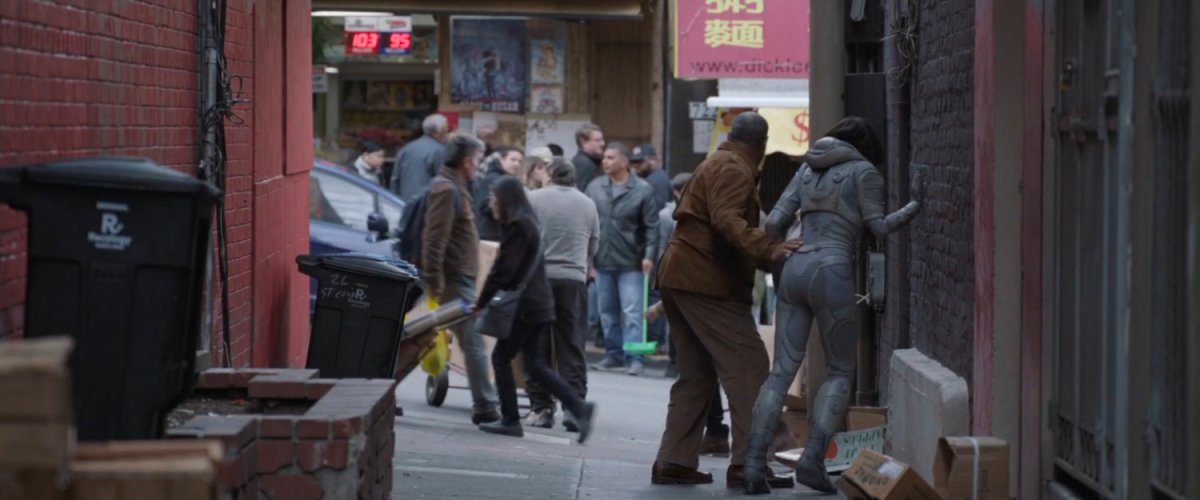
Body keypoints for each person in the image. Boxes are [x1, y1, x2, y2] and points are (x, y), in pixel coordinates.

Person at [741, 117, 923, 494]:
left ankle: (754, 463)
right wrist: (915, 206)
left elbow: (774, 221)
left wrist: (775, 257)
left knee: (780, 373)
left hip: (795, 265)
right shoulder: (864, 171)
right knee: (840, 371)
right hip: (833, 270)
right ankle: (812, 461)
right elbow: (881, 228)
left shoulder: (807, 168)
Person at [650, 113, 800, 490]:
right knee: (749, 368)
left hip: (682, 275)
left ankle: (674, 460)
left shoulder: (714, 162)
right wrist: (769, 248)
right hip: (707, 280)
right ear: (762, 145)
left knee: (696, 374)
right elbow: (726, 219)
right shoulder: (734, 169)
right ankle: (749, 464)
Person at [475, 176, 598, 443]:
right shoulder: (525, 222)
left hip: (527, 305)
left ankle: (510, 420)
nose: (491, 204)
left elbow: (504, 270)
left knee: (501, 358)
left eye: (495, 199)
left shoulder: (519, 225)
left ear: (506, 200)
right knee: (536, 364)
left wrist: (480, 302)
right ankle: (579, 407)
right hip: (537, 303)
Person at [420, 133, 501, 425]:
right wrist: (435, 280)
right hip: (453, 280)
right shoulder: (446, 189)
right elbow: (434, 240)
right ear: (466, 162)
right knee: (472, 342)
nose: (478, 166)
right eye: (477, 160)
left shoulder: (456, 186)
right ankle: (486, 405)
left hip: (458, 278)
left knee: (453, 340)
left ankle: (485, 403)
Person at [525, 159, 600, 431]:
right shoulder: (588, 204)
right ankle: (574, 408)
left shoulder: (533, 198)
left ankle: (541, 408)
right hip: (573, 280)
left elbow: (522, 237)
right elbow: (593, 245)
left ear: (550, 174)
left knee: (537, 346)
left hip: (538, 279)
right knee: (572, 344)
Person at [585, 142, 659, 376]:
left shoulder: (642, 190)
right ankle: (613, 353)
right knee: (606, 312)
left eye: (610, 157)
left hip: (632, 262)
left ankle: (634, 356)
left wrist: (649, 256)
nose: (605, 161)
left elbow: (652, 227)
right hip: (602, 259)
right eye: (604, 157)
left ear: (624, 162)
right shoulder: (595, 187)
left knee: (633, 312)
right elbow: (587, 221)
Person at [391, 114, 449, 203]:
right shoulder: (439, 151)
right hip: (426, 205)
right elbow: (443, 182)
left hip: (404, 203)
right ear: (437, 133)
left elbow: (395, 180)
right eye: (445, 131)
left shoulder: (406, 149)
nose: (447, 134)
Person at [474, 145, 524, 241]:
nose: (516, 164)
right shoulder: (495, 180)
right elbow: (486, 205)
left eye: (520, 162)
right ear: (502, 160)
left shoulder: (500, 178)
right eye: (513, 160)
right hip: (490, 233)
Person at [632, 144, 672, 211]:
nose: (636, 165)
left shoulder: (658, 179)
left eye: (640, 161)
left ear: (653, 160)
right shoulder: (647, 177)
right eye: (635, 162)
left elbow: (657, 209)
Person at [572, 124, 604, 194]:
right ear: (583, 142)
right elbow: (584, 193)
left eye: (602, 140)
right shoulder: (585, 164)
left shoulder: (588, 162)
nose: (602, 143)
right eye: (598, 140)